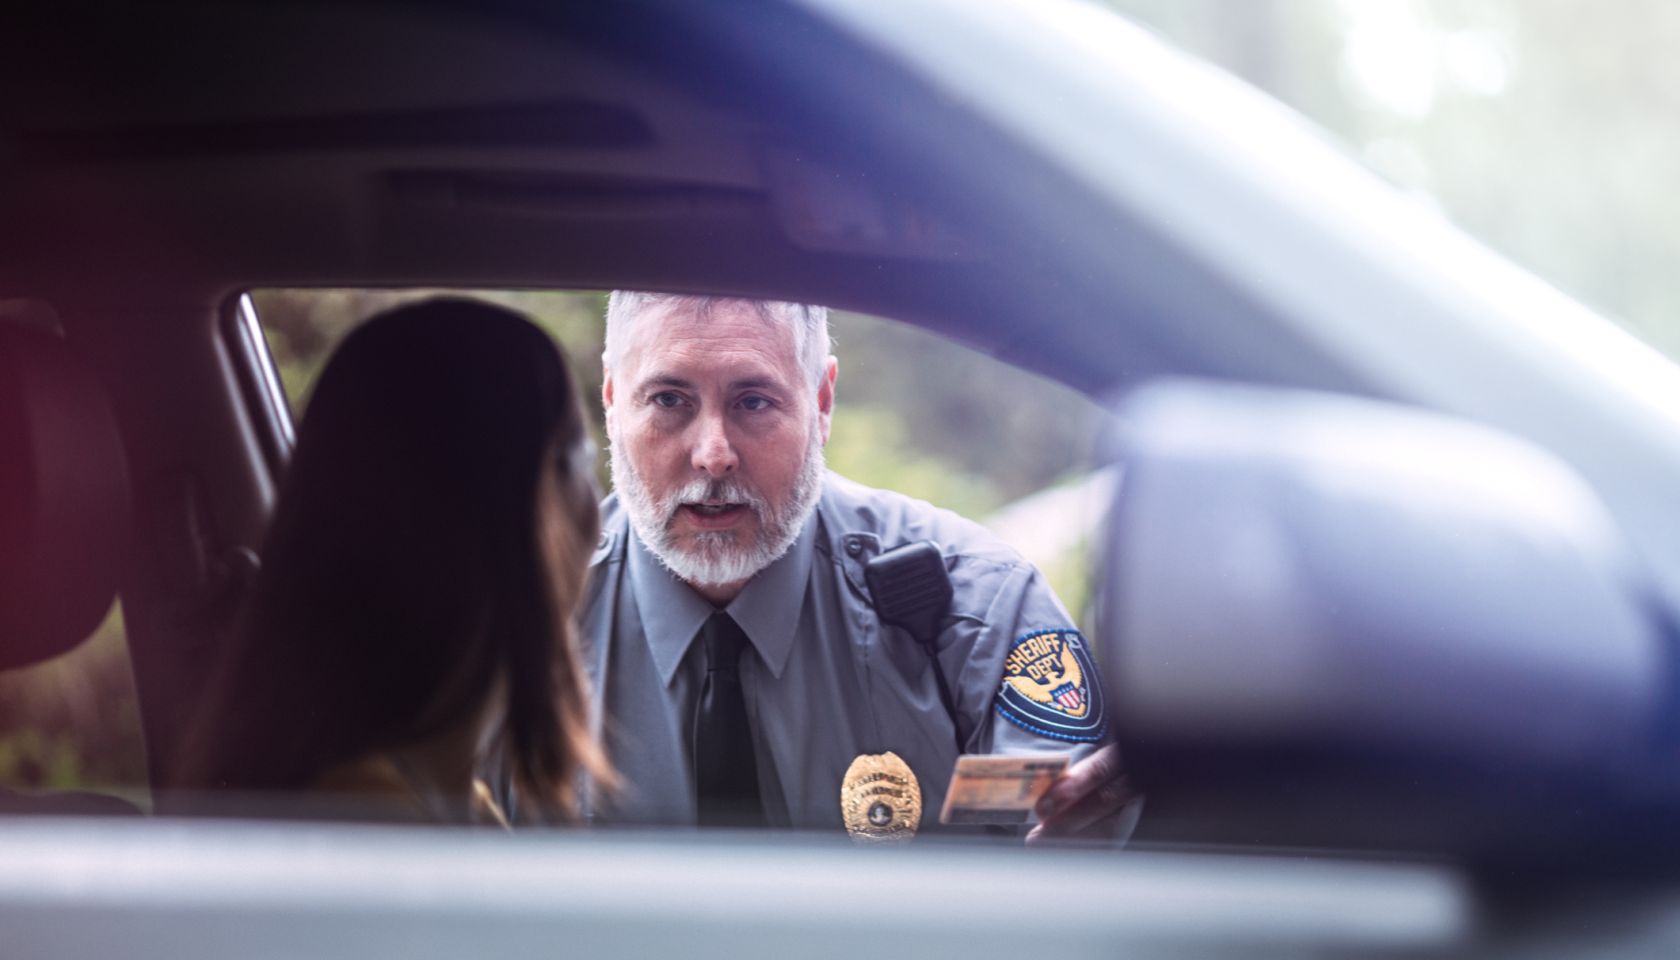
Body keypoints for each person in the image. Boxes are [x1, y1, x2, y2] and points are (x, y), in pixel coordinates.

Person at [576, 291, 1136, 839]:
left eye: (754, 402)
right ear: (611, 399)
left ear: (822, 403)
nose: (714, 454)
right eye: (669, 400)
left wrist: (1006, 807)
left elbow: (1049, 821)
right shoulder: (538, 616)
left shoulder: (973, 605)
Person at [176, 298, 610, 825]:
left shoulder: (424, 798)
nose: (599, 515)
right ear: (517, 515)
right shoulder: (375, 828)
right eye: (582, 461)